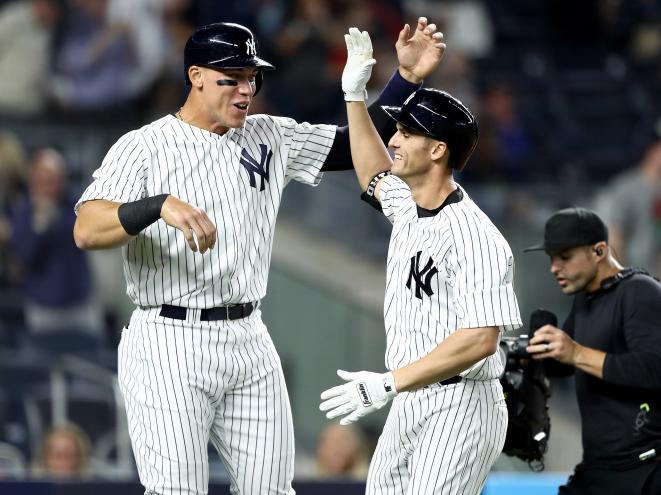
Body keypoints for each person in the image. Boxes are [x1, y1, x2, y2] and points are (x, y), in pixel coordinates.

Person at [73, 18, 446, 495]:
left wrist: (406, 79)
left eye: (252, 77)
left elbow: (354, 146)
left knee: (272, 490)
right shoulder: (145, 145)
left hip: (250, 336)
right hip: (168, 339)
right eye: (232, 78)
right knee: (176, 491)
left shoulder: (267, 135)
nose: (246, 89)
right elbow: (87, 228)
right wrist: (157, 205)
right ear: (196, 76)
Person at [319, 28, 522, 494]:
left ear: (437, 150)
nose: (396, 138)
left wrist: (388, 383)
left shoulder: (476, 235)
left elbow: (480, 339)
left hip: (461, 405)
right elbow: (371, 174)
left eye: (408, 133)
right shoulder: (409, 202)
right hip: (411, 397)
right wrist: (355, 95)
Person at [524, 207, 661, 495]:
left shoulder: (639, 291)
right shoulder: (586, 301)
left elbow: (653, 370)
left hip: (646, 469)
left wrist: (575, 353)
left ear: (599, 251)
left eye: (564, 257)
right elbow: (568, 365)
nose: (553, 268)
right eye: (551, 258)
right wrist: (541, 354)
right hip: (600, 468)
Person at [8, 149, 103, 343]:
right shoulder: (24, 212)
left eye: (53, 180)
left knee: (91, 361)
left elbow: (88, 240)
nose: (48, 187)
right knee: (44, 366)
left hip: (79, 303)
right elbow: (25, 257)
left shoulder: (77, 205)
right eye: (43, 181)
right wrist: (40, 225)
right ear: (34, 182)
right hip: (43, 307)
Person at [593, 132, 661, 278]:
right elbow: (614, 239)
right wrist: (623, 280)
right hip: (636, 276)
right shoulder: (625, 188)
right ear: (653, 149)